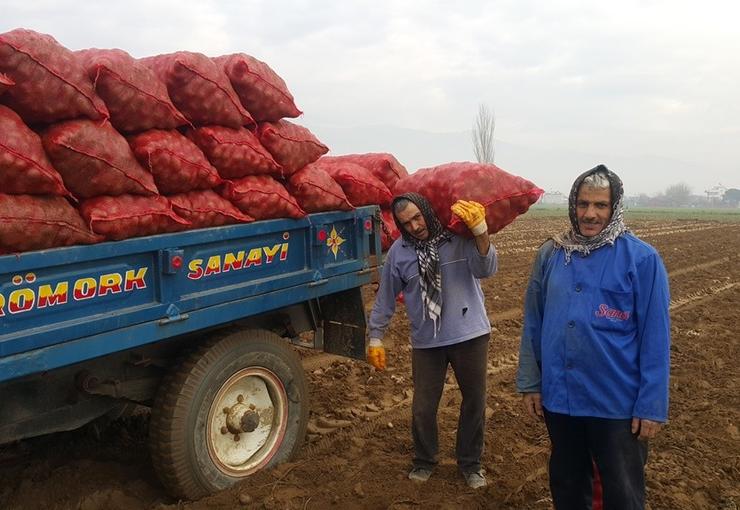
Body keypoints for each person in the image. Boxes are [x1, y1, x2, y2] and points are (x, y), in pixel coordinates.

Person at [516, 165, 671, 510]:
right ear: (573, 204)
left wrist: (651, 406)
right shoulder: (552, 254)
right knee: (568, 485)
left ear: (614, 208)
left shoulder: (641, 259)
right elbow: (534, 321)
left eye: (601, 205)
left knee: (623, 491)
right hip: (561, 397)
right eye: (583, 204)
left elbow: (656, 338)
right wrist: (530, 381)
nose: (590, 214)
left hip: (615, 401)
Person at [366, 192, 497, 489]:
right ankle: (425, 460)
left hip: (469, 334)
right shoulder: (399, 252)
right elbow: (386, 296)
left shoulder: (457, 237)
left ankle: (471, 464)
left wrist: (481, 233)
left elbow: (486, 269)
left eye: (417, 217)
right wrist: (375, 336)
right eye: (406, 223)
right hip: (427, 341)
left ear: (426, 211)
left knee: (474, 402)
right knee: (423, 407)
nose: (414, 226)